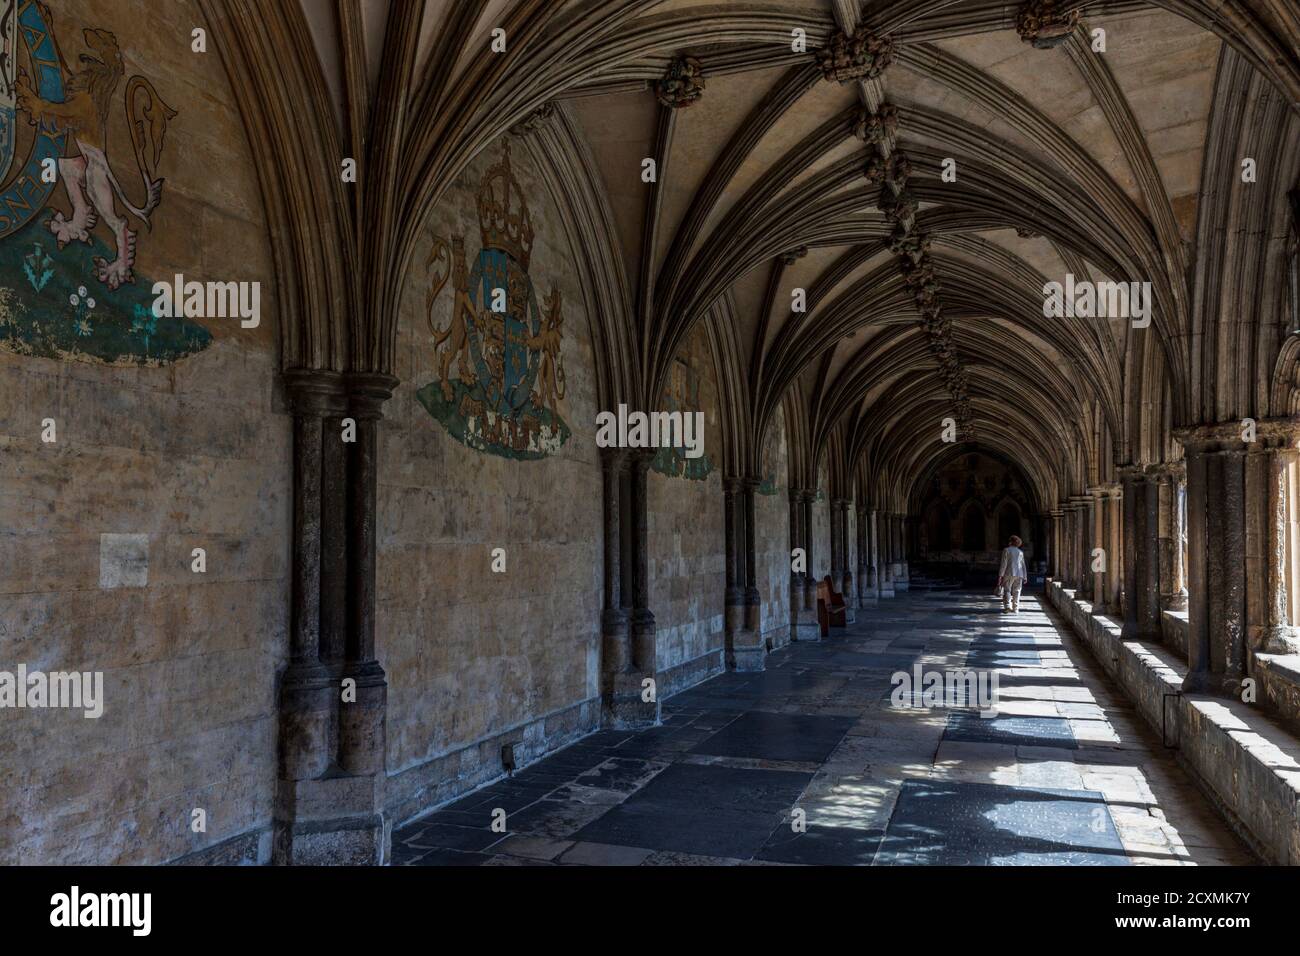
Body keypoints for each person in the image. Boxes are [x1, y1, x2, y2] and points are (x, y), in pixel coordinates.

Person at [997, 535, 1027, 612]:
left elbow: (1004, 564)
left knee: (1007, 590)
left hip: (1009, 573)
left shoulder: (1006, 550)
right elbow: (1023, 565)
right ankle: (1015, 608)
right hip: (1019, 574)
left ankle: (1007, 606)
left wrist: (1000, 575)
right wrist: (1025, 576)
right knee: (1017, 591)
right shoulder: (1020, 552)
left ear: (1011, 542)